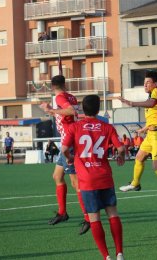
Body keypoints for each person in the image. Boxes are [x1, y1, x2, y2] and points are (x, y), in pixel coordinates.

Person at [62, 95, 125, 260]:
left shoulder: (75, 127)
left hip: (87, 179)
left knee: (94, 217)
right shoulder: (107, 127)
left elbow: (63, 149)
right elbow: (121, 148)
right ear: (98, 109)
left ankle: (106, 256)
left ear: (83, 109)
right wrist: (121, 157)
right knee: (113, 214)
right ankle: (119, 253)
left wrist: (69, 158)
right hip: (104, 176)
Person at [40, 75, 90, 235]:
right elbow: (69, 114)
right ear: (64, 84)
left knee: (76, 182)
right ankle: (63, 213)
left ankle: (88, 218)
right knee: (57, 176)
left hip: (70, 142)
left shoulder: (60, 97)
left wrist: (50, 110)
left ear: (51, 86)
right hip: (68, 140)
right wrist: (53, 110)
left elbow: (70, 110)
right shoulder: (70, 96)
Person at [118, 71, 157, 198]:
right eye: (144, 83)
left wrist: (131, 103)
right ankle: (135, 183)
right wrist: (143, 130)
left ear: (155, 84)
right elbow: (153, 118)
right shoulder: (151, 96)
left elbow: (152, 104)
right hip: (150, 135)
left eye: (148, 83)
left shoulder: (156, 92)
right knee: (139, 157)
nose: (145, 85)